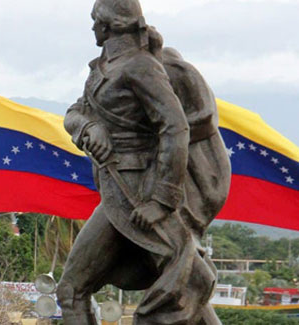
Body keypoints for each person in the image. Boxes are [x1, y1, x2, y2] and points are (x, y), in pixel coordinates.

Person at [57, 0, 228, 324]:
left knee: (75, 289)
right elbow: (74, 113)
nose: (92, 26)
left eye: (95, 20)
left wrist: (161, 201)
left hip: (139, 192)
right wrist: (88, 127)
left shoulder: (140, 67)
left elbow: (176, 126)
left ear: (108, 24)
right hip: (116, 190)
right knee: (183, 283)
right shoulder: (103, 68)